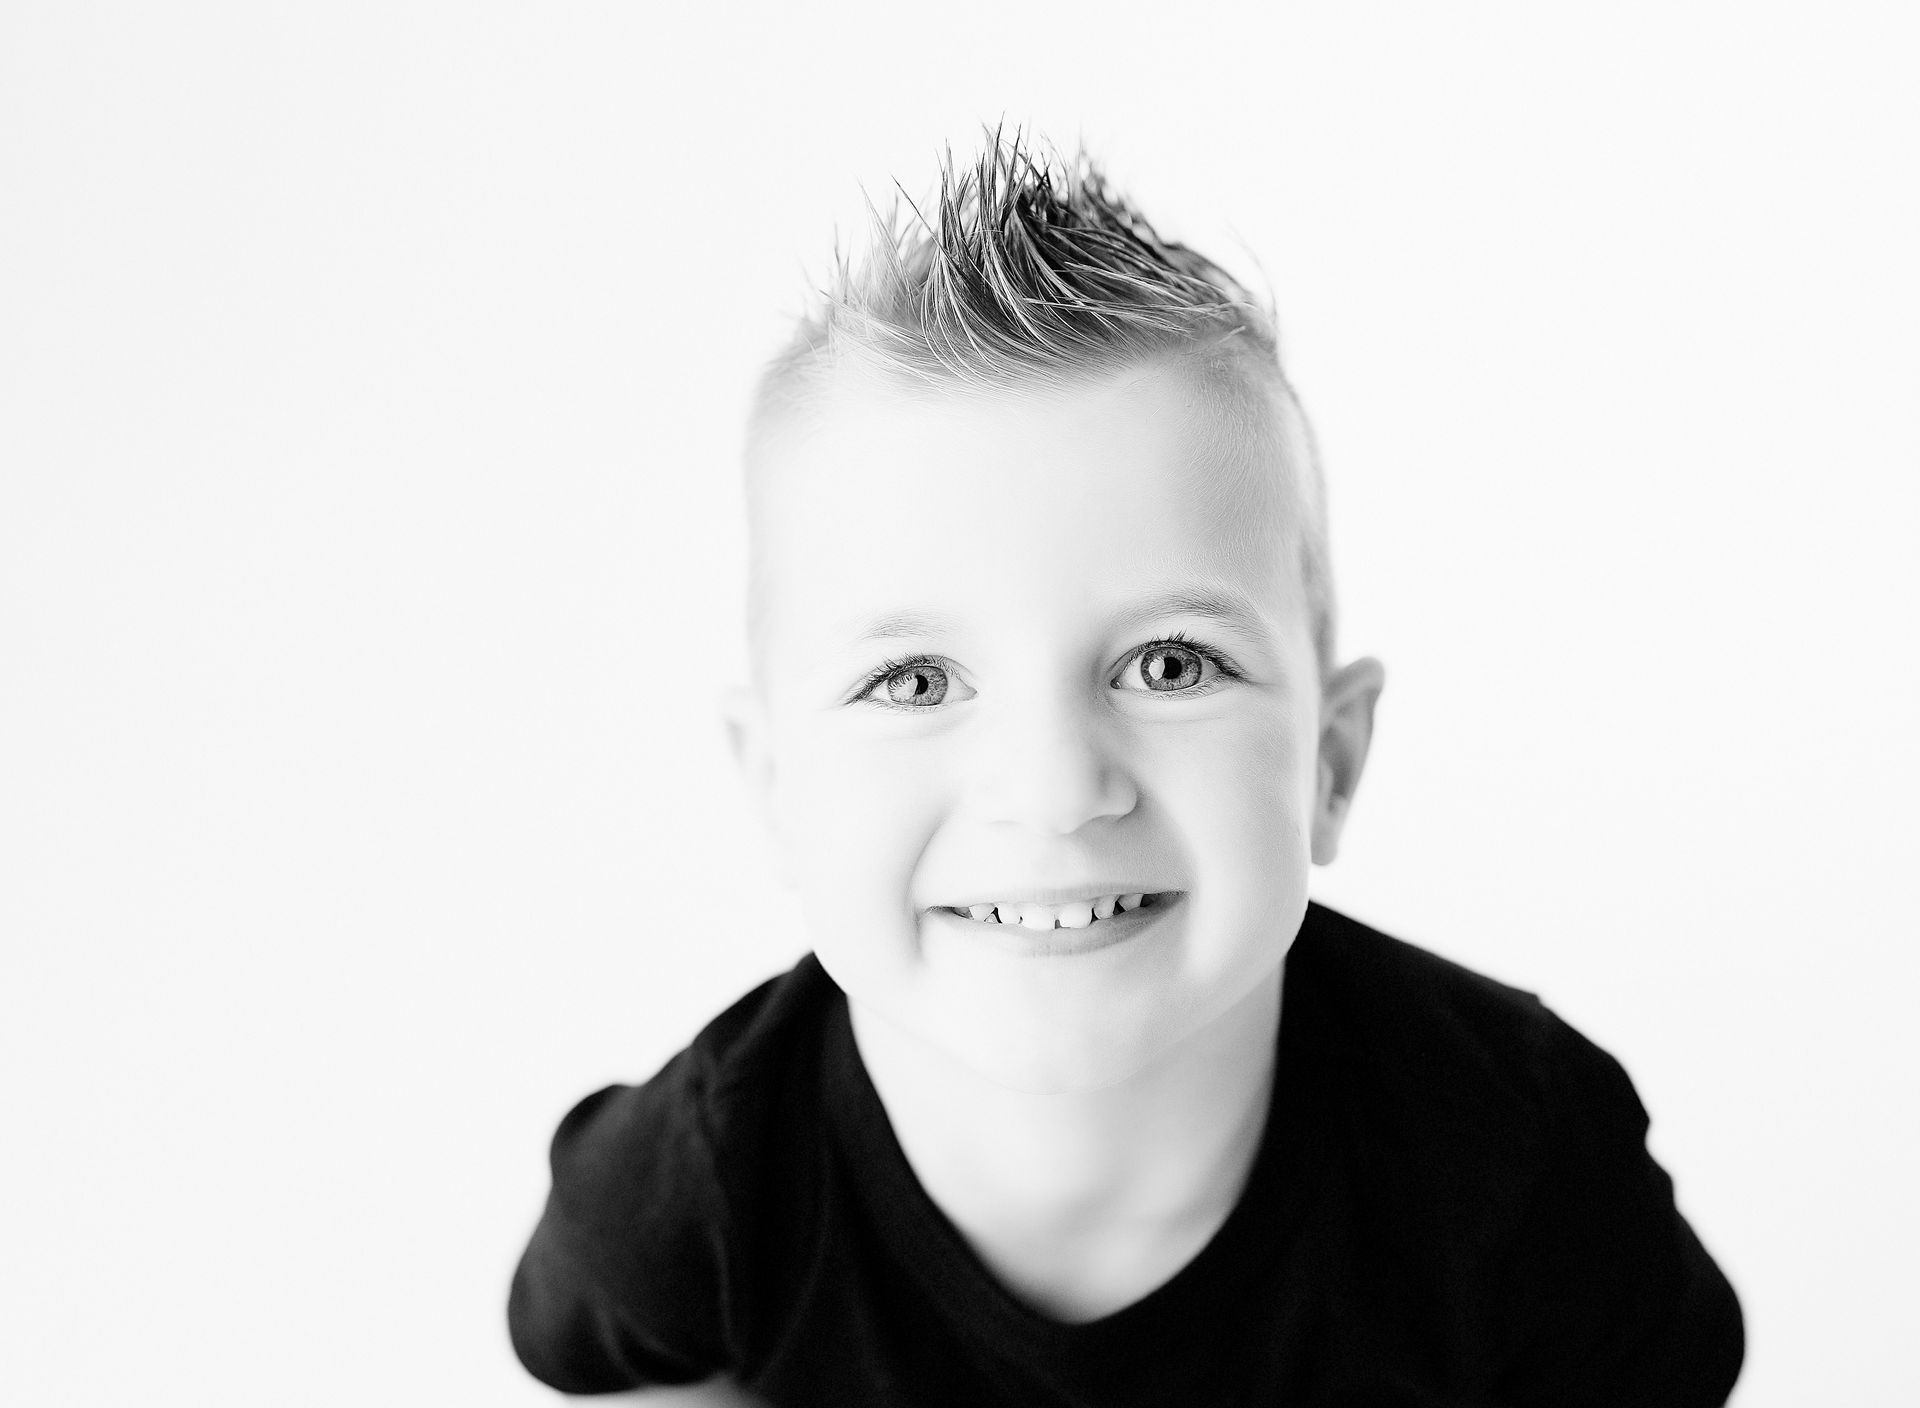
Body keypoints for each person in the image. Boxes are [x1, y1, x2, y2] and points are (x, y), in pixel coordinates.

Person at [507, 130, 1744, 1405]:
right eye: (915, 682)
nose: (1052, 787)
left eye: (1168, 665)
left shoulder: (1521, 1157)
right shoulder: (697, 1195)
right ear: (776, 788)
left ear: (1330, 759)